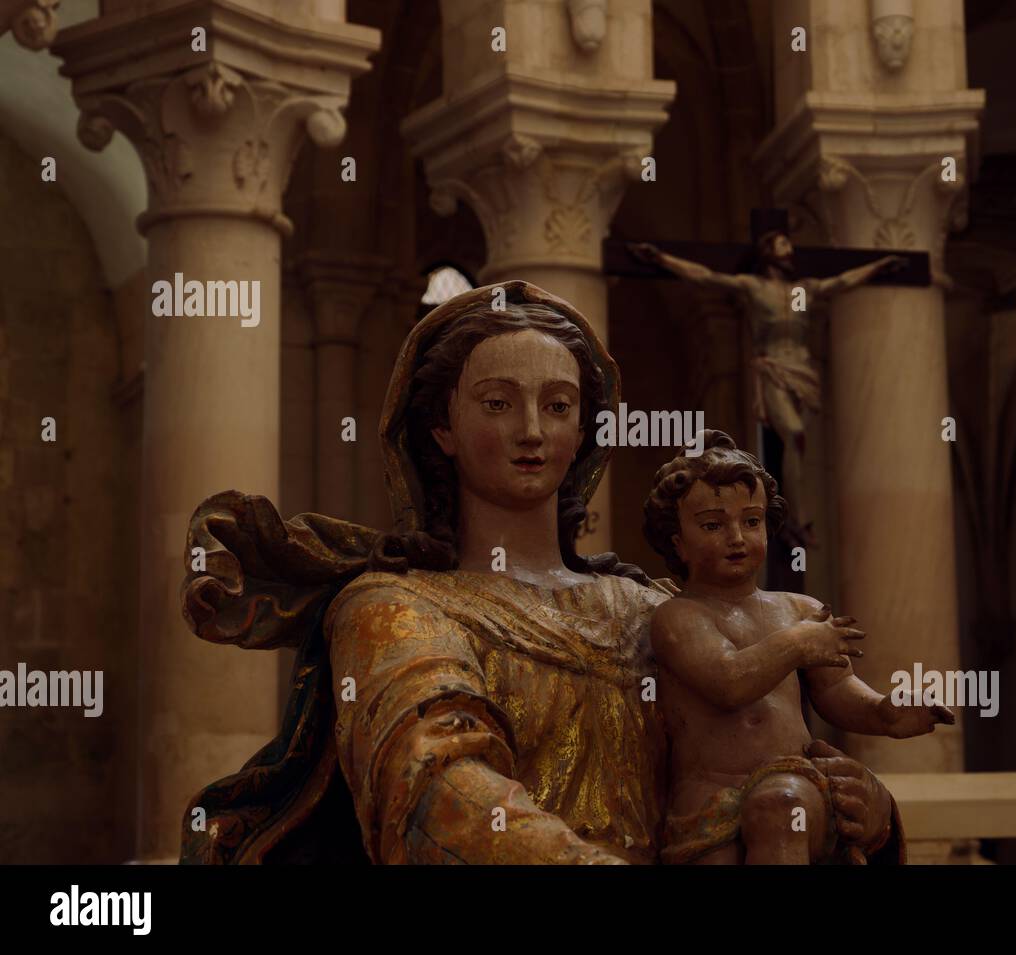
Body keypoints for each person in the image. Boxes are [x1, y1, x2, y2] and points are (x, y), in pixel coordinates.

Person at [178, 281, 900, 864]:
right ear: (442, 429)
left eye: (558, 406)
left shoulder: (649, 608)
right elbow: (438, 795)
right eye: (498, 403)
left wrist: (861, 807)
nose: (532, 429)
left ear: (583, 429)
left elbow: (754, 754)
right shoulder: (392, 607)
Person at [643, 431, 952, 864]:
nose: (737, 537)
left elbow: (836, 690)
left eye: (751, 521)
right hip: (708, 796)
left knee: (779, 811)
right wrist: (798, 642)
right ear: (677, 542)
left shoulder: (799, 610)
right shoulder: (678, 618)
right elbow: (728, 682)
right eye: (713, 525)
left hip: (791, 782)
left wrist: (884, 712)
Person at [631, 234, 904, 547]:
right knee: (794, 431)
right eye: (782, 244)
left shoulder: (806, 289)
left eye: (790, 244)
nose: (789, 249)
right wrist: (662, 260)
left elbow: (843, 281)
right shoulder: (753, 287)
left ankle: (792, 514)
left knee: (799, 447)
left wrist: (879, 266)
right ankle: (795, 519)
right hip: (773, 369)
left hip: (802, 374)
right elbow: (706, 277)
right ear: (767, 253)